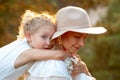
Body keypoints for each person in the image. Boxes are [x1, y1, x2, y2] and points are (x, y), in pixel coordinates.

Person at [25, 6, 107, 80]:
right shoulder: (55, 67)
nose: (82, 44)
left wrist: (85, 71)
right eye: (77, 37)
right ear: (60, 36)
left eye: (84, 38)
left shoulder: (70, 61)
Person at [0, 10, 71, 80]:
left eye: (52, 38)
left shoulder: (24, 42)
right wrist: (72, 56)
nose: (49, 43)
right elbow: (59, 55)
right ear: (28, 35)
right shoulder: (28, 52)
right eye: (44, 37)